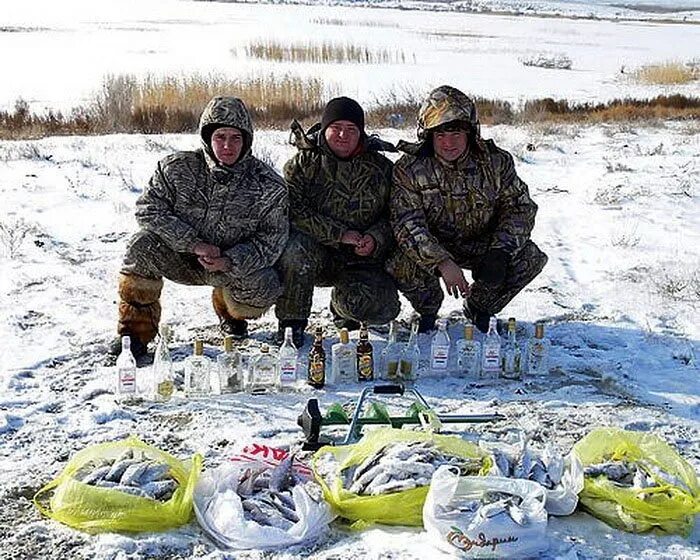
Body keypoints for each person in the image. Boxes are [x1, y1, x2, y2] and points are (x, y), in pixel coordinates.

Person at [111, 96, 288, 357]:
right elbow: (148, 209)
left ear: (247, 140)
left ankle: (229, 311)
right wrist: (193, 244)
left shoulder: (269, 185)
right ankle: (134, 333)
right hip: (182, 258)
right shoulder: (176, 169)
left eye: (235, 138)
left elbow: (271, 241)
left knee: (266, 287)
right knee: (140, 247)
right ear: (207, 138)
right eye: (220, 137)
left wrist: (229, 261)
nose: (227, 146)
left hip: (232, 268)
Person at [388, 85, 548, 333]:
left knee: (529, 257)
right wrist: (441, 261)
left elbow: (520, 207)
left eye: (456, 134)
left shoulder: (496, 162)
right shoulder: (409, 168)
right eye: (440, 135)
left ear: (471, 133)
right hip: (433, 245)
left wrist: (501, 251)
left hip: (480, 243)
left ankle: (479, 305)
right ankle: (427, 309)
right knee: (397, 257)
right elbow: (407, 223)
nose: (448, 143)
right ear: (428, 135)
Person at [275, 96, 400, 346]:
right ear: (324, 129)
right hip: (316, 256)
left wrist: (375, 238)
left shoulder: (382, 168)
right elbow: (292, 211)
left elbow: (395, 216)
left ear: (361, 133)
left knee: (376, 309)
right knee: (294, 249)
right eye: (336, 128)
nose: (343, 135)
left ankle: (343, 308)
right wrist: (339, 234)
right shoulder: (302, 165)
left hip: (361, 258)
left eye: (351, 129)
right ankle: (292, 323)